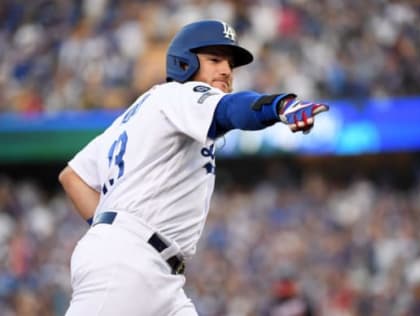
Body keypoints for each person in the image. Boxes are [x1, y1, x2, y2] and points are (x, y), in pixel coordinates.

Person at [58, 19, 329, 316]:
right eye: (214, 59)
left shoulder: (146, 109)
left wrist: (110, 230)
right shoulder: (178, 95)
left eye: (230, 64)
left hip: (154, 271)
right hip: (126, 263)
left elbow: (73, 177)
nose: (226, 70)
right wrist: (280, 106)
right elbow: (231, 109)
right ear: (184, 63)